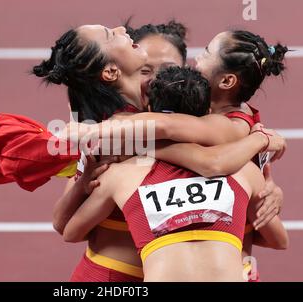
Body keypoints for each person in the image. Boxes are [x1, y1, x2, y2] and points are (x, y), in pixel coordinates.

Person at [61, 66, 288, 281]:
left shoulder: (118, 174)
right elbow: (279, 240)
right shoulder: (244, 171)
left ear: (148, 111)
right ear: (207, 113)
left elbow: (70, 233)